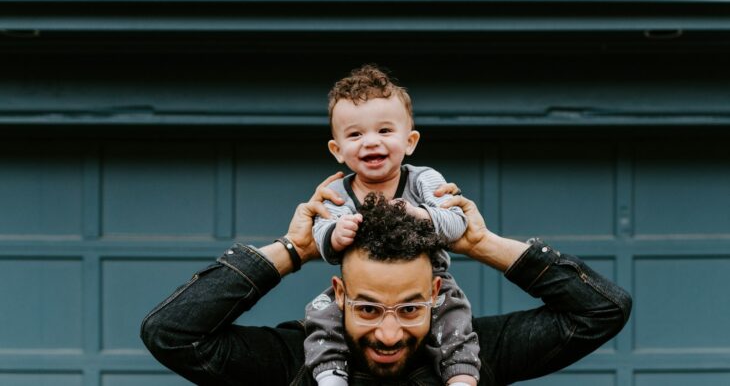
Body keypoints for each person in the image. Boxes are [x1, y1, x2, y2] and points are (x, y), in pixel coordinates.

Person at [140, 173, 633, 386]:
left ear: (437, 293)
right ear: (340, 294)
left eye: (411, 309)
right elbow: (172, 334)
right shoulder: (293, 362)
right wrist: (293, 252)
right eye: (369, 309)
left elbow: (602, 309)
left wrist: (482, 245)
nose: (390, 333)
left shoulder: (478, 353)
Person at [308, 64, 478, 386]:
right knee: (321, 313)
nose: (371, 142)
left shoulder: (424, 179)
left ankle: (460, 376)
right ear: (337, 150)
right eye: (356, 134)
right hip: (362, 289)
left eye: (385, 131)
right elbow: (320, 239)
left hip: (429, 280)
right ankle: (331, 375)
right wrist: (334, 235)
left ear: (410, 141)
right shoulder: (336, 192)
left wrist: (422, 215)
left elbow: (456, 224)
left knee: (455, 317)